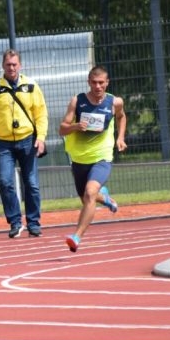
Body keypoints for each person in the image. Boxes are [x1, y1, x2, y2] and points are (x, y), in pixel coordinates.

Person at [0, 49, 48, 238]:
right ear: (3, 65)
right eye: (8, 64)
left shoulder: (31, 85)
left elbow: (41, 113)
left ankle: (33, 222)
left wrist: (41, 138)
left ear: (20, 65)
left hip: (28, 140)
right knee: (5, 181)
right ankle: (15, 222)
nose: (11, 67)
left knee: (32, 183)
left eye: (14, 64)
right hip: (4, 143)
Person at [59, 65, 127, 252]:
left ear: (107, 83)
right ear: (89, 82)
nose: (98, 86)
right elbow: (62, 128)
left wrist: (120, 138)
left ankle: (76, 237)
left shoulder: (115, 102)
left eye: (101, 83)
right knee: (87, 197)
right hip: (79, 158)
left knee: (89, 193)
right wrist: (75, 127)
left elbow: (121, 117)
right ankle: (104, 198)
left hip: (102, 156)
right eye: (94, 83)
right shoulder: (77, 101)